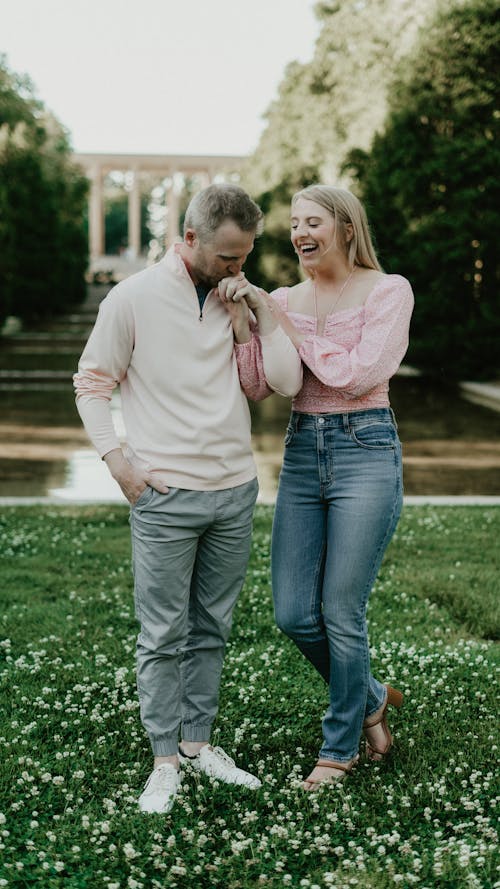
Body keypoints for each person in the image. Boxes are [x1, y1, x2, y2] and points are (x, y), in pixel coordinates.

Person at [73, 183, 302, 815]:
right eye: (228, 257)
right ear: (191, 238)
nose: (238, 266)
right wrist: (117, 462)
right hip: (165, 496)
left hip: (234, 492)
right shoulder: (134, 297)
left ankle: (200, 746)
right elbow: (93, 381)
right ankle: (164, 760)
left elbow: (273, 385)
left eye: (246, 255)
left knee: (212, 630)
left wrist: (249, 313)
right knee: (163, 633)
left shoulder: (239, 298)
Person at [224, 184, 413, 791]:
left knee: (340, 610)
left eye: (314, 221)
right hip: (304, 452)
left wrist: (284, 325)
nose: (301, 233)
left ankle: (340, 747)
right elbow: (261, 385)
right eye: (295, 224)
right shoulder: (282, 298)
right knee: (293, 613)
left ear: (346, 227)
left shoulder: (389, 291)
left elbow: (355, 376)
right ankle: (373, 698)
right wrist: (245, 324)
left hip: (366, 450)